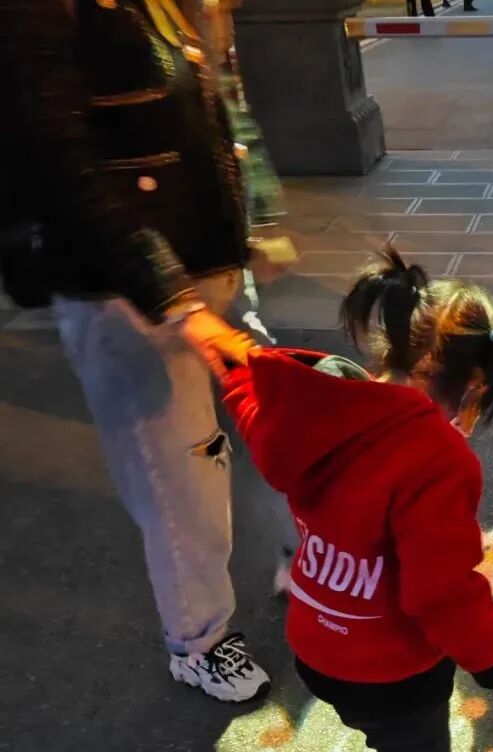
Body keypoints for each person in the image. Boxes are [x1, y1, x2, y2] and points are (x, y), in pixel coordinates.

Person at [195, 250, 493, 752]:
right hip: (388, 662)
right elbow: (441, 589)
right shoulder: (436, 458)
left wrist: (226, 351)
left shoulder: (325, 407)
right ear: (474, 387)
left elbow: (252, 396)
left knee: (409, 744)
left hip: (319, 641)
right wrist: (491, 655)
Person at [2, 0, 276, 701]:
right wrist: (172, 295)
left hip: (206, 264)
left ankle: (304, 561)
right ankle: (199, 639)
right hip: (124, 292)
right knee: (179, 473)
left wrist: (253, 219)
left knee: (267, 426)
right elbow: (62, 164)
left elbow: (210, 107)